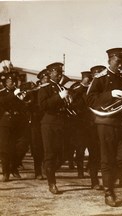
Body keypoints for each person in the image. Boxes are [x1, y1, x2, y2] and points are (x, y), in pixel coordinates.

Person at [86, 48, 122, 207]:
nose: (120, 65)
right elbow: (90, 99)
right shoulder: (100, 77)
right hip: (105, 123)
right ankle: (109, 193)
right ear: (109, 60)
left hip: (121, 122)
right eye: (117, 61)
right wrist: (110, 94)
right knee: (107, 159)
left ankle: (112, 183)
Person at [38, 62, 70, 194]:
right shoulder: (44, 88)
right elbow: (43, 105)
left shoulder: (61, 87)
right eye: (57, 73)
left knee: (64, 153)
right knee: (50, 153)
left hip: (61, 124)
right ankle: (52, 183)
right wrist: (59, 97)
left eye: (61, 73)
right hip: (49, 124)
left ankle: (48, 168)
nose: (60, 75)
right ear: (50, 73)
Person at [70, 71, 102, 189]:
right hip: (81, 125)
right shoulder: (79, 89)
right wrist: (83, 87)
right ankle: (80, 170)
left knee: (95, 153)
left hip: (95, 125)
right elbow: (72, 100)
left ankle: (94, 181)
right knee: (80, 150)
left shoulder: (98, 89)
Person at [0, 71, 29, 181]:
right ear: (6, 82)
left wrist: (24, 99)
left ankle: (14, 167)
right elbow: (2, 101)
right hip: (6, 123)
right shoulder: (2, 92)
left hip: (19, 122)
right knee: (5, 149)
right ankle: (6, 172)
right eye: (11, 81)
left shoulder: (19, 92)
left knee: (22, 147)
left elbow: (26, 106)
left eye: (14, 81)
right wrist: (14, 94)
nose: (13, 83)